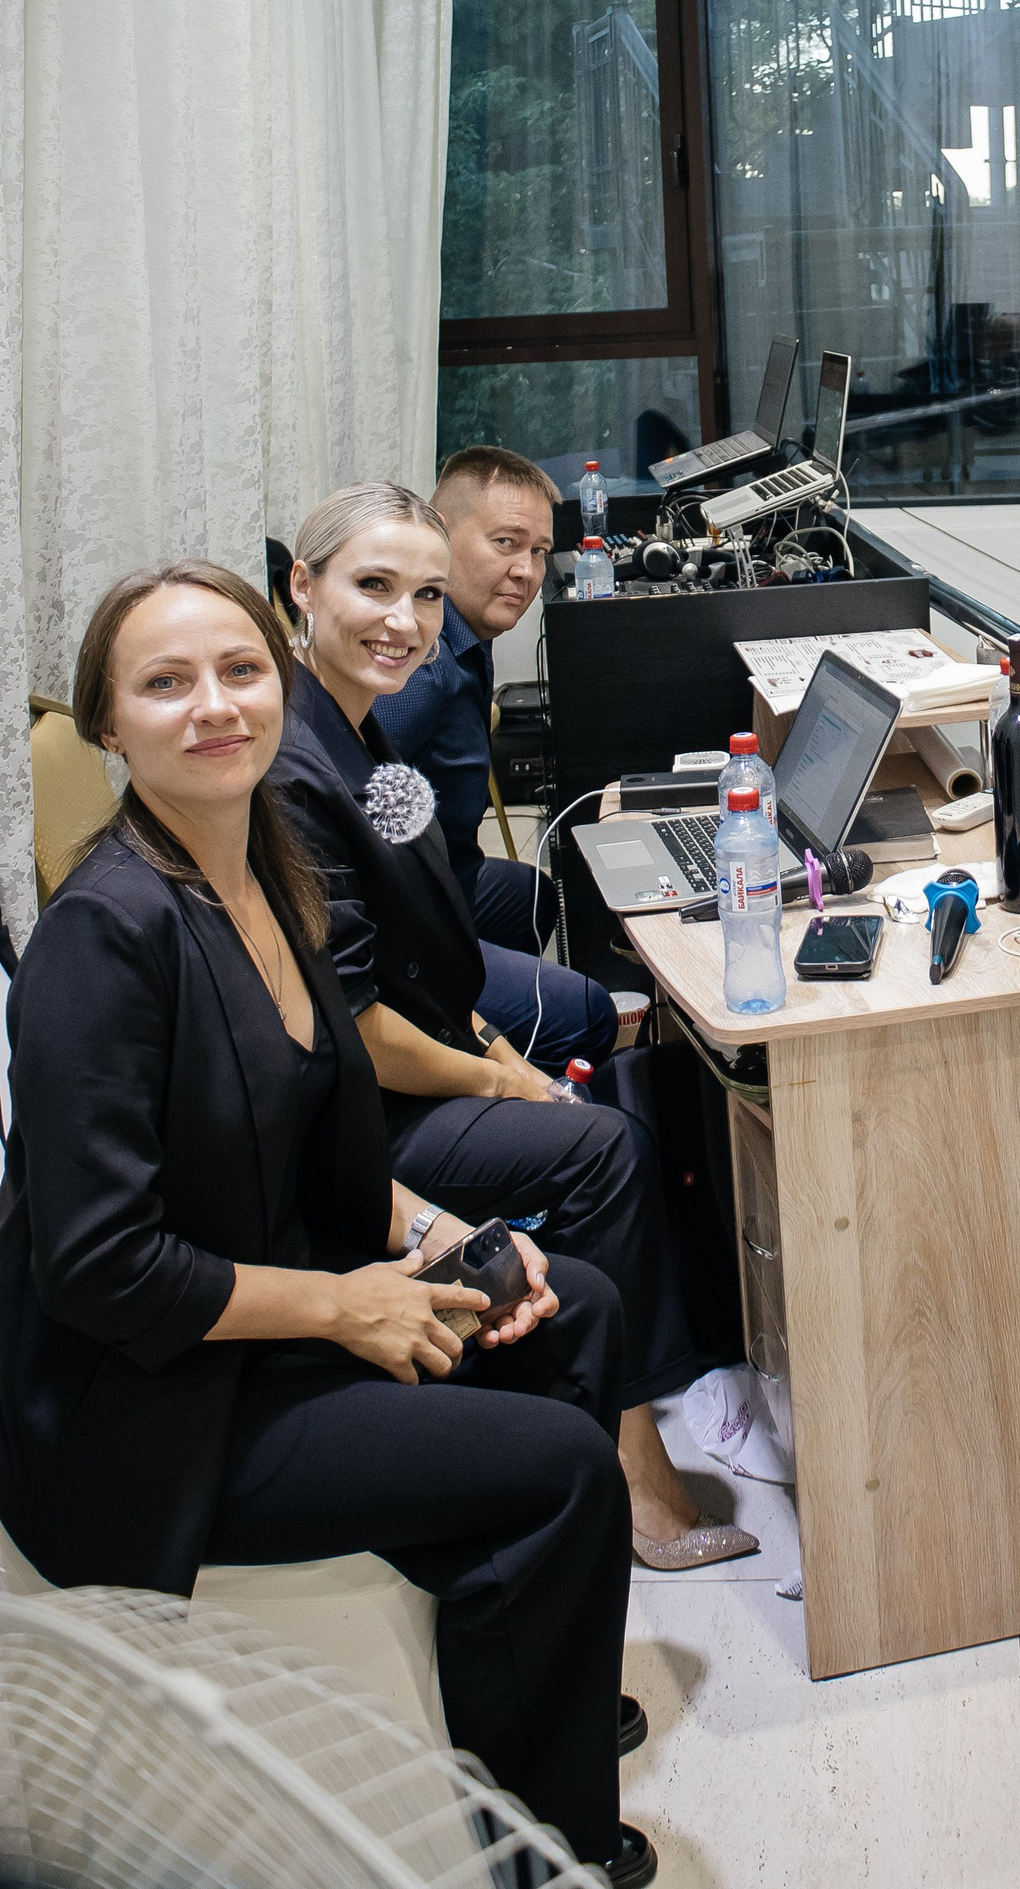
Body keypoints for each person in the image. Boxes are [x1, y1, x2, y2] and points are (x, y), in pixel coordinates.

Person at [0, 562, 656, 1888]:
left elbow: (319, 1139)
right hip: (153, 1407)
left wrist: (444, 1236)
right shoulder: (102, 937)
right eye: (166, 684)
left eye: (240, 671)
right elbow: (98, 1266)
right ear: (110, 727)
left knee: (574, 1305)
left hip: (268, 1310)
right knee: (562, 1470)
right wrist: (348, 1306)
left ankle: (523, 1665)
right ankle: (552, 1854)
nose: (215, 706)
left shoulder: (267, 873)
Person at [267, 481, 755, 1575]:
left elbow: (421, 953)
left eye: (423, 597)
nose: (405, 621)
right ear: (302, 587)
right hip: (353, 1124)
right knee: (602, 1147)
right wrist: (500, 1081)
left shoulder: (355, 731)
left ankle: (672, 1373)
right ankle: (636, 1469)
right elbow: (360, 1027)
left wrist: (491, 1044)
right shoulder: (299, 772)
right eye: (374, 587)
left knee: (617, 1096)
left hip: (404, 1061)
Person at [379, 445, 557, 956]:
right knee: (582, 1002)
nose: (526, 571)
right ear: (438, 534)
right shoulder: (417, 664)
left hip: (451, 875)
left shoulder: (466, 632)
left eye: (539, 551)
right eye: (506, 543)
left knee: (532, 896)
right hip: (403, 919)